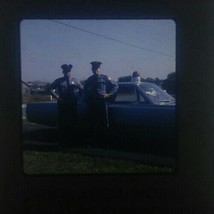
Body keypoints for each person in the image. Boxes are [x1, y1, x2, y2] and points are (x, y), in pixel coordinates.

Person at [48, 64, 83, 146]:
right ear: (63, 72)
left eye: (68, 72)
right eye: (65, 72)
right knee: (63, 122)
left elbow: (82, 89)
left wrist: (77, 97)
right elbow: (49, 89)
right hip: (62, 104)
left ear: (70, 72)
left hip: (72, 104)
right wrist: (58, 98)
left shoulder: (75, 81)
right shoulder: (59, 81)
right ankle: (63, 140)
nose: (67, 73)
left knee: (73, 121)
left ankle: (73, 140)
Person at [84, 61, 118, 145]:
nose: (95, 70)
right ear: (92, 69)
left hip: (102, 102)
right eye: (94, 68)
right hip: (92, 103)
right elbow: (85, 91)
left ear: (99, 69)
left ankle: (105, 142)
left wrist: (109, 94)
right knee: (92, 122)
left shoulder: (105, 78)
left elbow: (115, 86)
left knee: (104, 122)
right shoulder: (89, 79)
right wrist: (87, 100)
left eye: (97, 68)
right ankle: (92, 142)